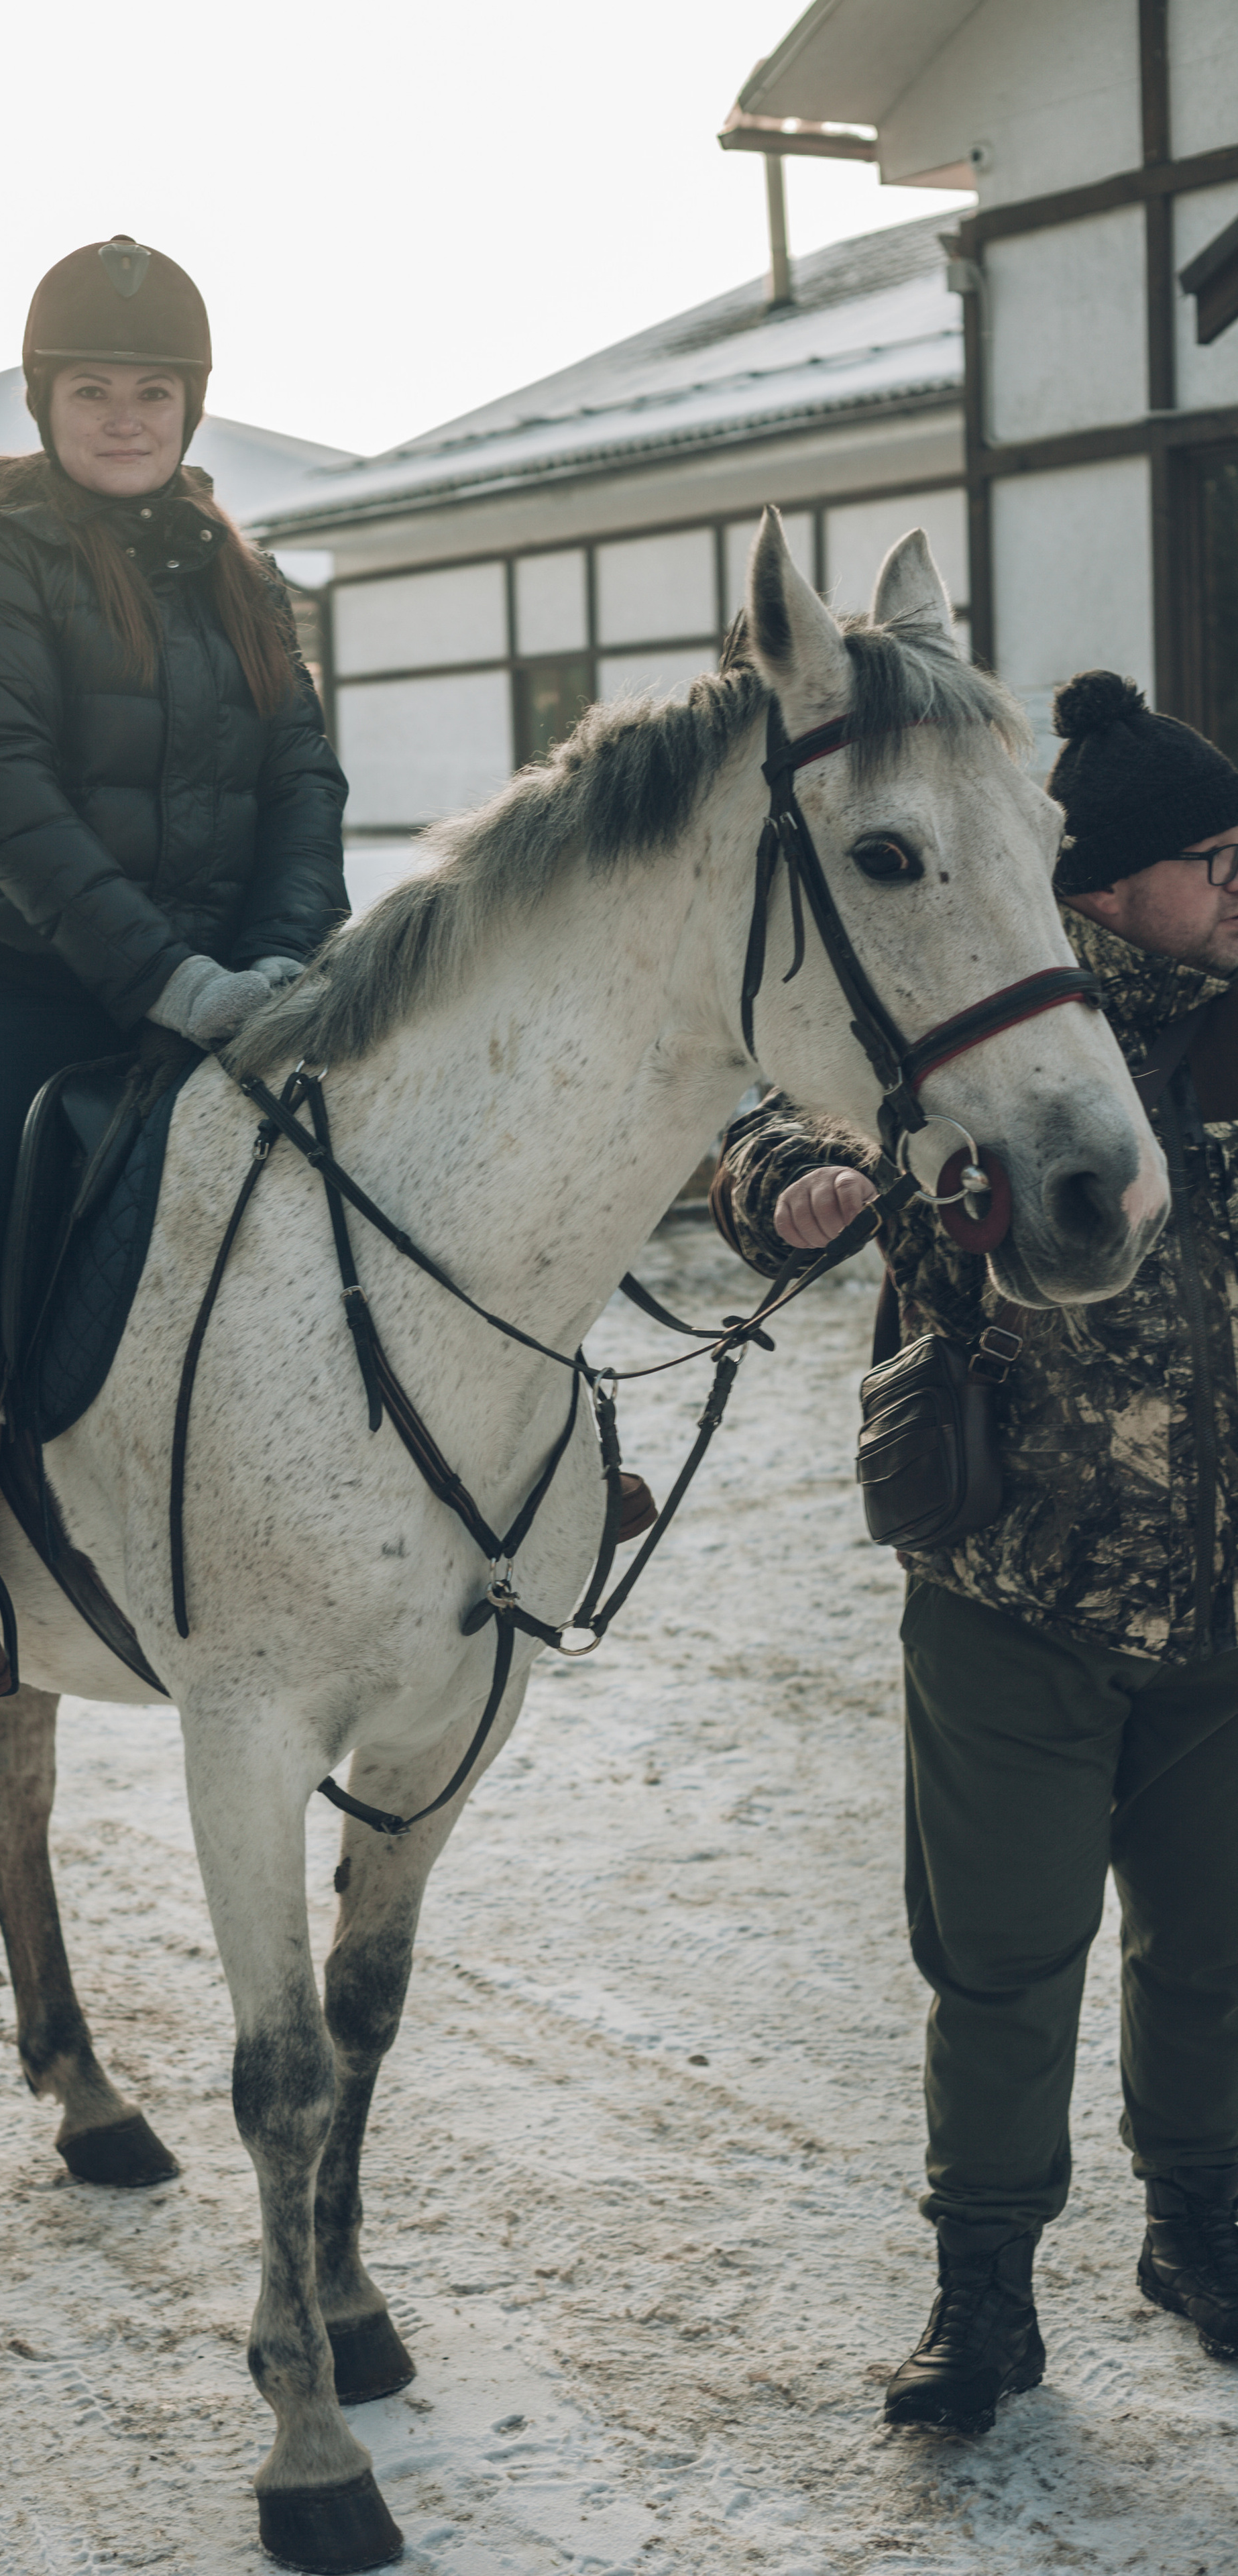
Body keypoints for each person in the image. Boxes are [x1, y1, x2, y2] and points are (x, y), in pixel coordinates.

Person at [711, 671, 1238, 2432]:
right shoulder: (976, 1017)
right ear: (1102, 886)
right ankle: (984, 2293)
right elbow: (776, 1120)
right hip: (1014, 1587)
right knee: (1002, 1961)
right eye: (1213, 859)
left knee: (1216, 1947)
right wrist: (783, 1183)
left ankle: (1201, 2230)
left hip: (1226, 1595)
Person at [0, 237, 349, 1707]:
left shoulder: (242, 574)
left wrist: (279, 955)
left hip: (241, 974)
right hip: (31, 978)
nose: (125, 418)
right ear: (44, 401)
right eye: (93, 390)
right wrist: (166, 982)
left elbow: (302, 780)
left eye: (152, 392)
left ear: (190, 404)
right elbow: (2, 793)